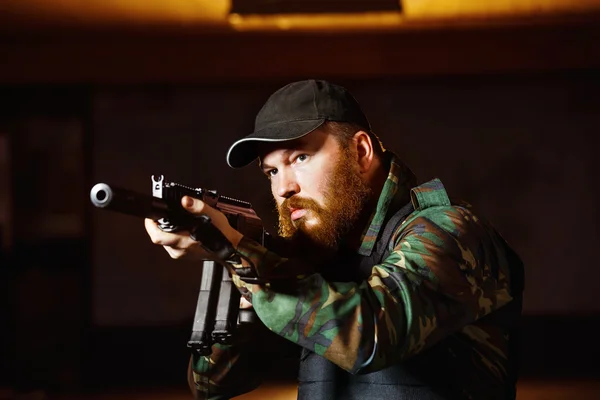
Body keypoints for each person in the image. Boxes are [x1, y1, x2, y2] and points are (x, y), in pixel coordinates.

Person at [145, 80, 525, 400]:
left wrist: (237, 250)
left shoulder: (448, 230)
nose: (283, 188)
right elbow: (211, 383)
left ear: (361, 151)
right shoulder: (316, 261)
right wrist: (241, 274)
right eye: (271, 171)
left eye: (300, 158)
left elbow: (370, 332)